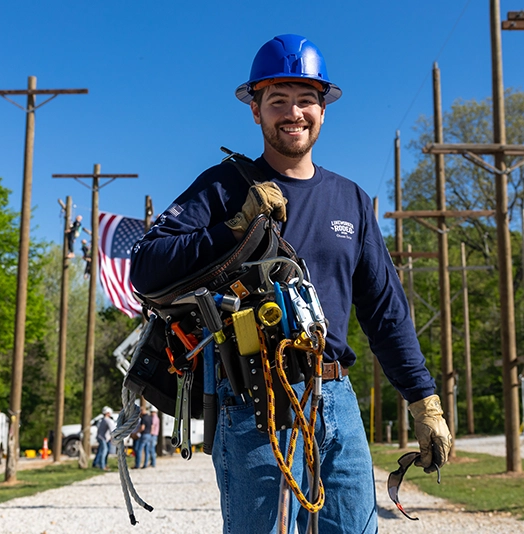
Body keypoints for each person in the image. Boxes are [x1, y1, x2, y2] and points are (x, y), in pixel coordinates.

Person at [129, 34, 452, 534]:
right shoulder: (224, 186)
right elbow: (147, 264)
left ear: (323, 109)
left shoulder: (350, 200)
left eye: (306, 99)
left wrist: (424, 399)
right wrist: (234, 228)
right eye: (277, 100)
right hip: (256, 399)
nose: (293, 112)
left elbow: (386, 312)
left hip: (337, 399)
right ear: (255, 110)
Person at [94, 406, 115, 471]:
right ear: (107, 413)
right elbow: (112, 429)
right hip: (103, 438)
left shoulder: (103, 420)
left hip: (103, 438)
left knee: (103, 451)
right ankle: (102, 466)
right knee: (104, 451)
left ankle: (101, 464)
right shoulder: (107, 420)